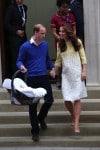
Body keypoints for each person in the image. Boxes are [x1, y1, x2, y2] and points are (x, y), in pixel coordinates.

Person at [16, 24, 56, 142]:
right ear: (35, 33)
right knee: (32, 106)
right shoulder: (25, 46)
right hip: (31, 78)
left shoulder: (45, 45)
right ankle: (35, 131)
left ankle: (40, 118)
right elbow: (19, 60)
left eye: (44, 33)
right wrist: (22, 66)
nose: (44, 36)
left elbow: (47, 59)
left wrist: (53, 68)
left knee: (49, 100)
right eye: (42, 33)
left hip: (43, 77)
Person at [55, 24, 87, 133]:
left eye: (62, 32)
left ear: (68, 32)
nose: (60, 33)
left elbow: (83, 58)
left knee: (77, 98)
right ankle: (73, 115)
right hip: (66, 75)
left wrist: (84, 71)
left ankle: (76, 124)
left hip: (77, 74)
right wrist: (54, 70)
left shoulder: (77, 42)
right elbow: (58, 60)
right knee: (67, 99)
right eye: (60, 32)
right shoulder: (60, 44)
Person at [50, 0, 76, 89]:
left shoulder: (71, 16)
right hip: (60, 42)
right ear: (59, 7)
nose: (66, 9)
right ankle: (59, 79)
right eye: (64, 7)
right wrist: (62, 39)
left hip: (70, 42)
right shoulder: (54, 17)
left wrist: (72, 38)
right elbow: (54, 32)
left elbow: (74, 29)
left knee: (69, 59)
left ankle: (70, 80)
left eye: (67, 7)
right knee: (60, 60)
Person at [4, 0, 27, 76]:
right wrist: (16, 31)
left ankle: (23, 77)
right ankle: (16, 78)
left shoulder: (25, 7)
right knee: (16, 58)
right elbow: (6, 24)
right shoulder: (11, 8)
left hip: (23, 36)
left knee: (24, 56)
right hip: (14, 38)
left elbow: (23, 22)